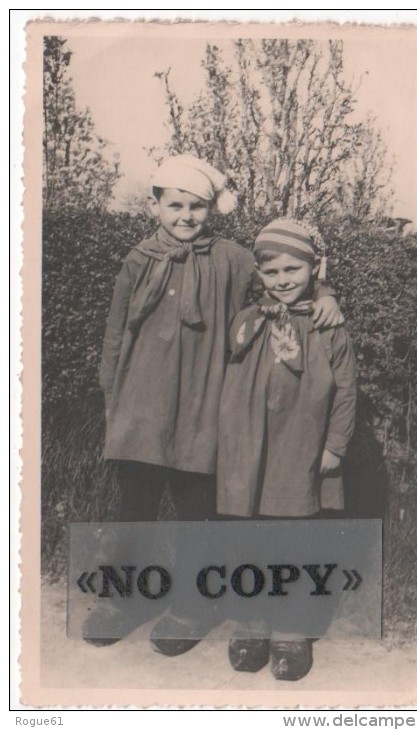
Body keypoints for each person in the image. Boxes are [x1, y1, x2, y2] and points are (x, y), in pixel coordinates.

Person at [89, 155, 343, 653]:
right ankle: (122, 599)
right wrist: (111, 399)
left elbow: (285, 277)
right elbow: (116, 334)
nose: (186, 216)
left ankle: (192, 605)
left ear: (212, 208)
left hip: (206, 409)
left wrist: (327, 291)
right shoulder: (138, 259)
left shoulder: (232, 258)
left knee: (196, 513)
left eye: (197, 206)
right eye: (176, 205)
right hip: (141, 407)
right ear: (156, 204)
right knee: (134, 508)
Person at [217, 217, 357, 681]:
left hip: (298, 449)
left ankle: (291, 632)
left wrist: (336, 443)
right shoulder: (248, 321)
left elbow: (346, 389)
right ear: (260, 275)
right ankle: (252, 625)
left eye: (292, 270)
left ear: (314, 269)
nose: (282, 281)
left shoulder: (328, 325)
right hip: (252, 452)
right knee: (249, 541)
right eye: (272, 272)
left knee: (294, 541)